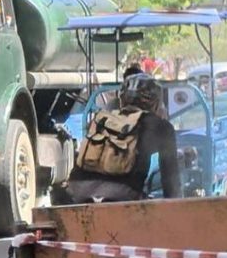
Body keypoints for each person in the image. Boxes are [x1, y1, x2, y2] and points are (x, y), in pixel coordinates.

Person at [62, 73, 181, 204]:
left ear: (122, 99)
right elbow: (171, 181)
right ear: (155, 102)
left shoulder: (100, 119)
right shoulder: (161, 126)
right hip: (122, 197)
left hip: (77, 192)